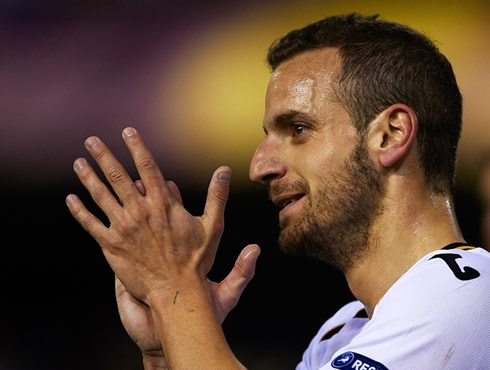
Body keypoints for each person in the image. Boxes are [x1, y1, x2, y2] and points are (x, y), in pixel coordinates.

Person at [66, 13, 490, 369]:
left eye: (298, 129)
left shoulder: (468, 294)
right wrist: (167, 349)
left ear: (390, 135)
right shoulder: (343, 332)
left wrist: (172, 288)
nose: (259, 167)